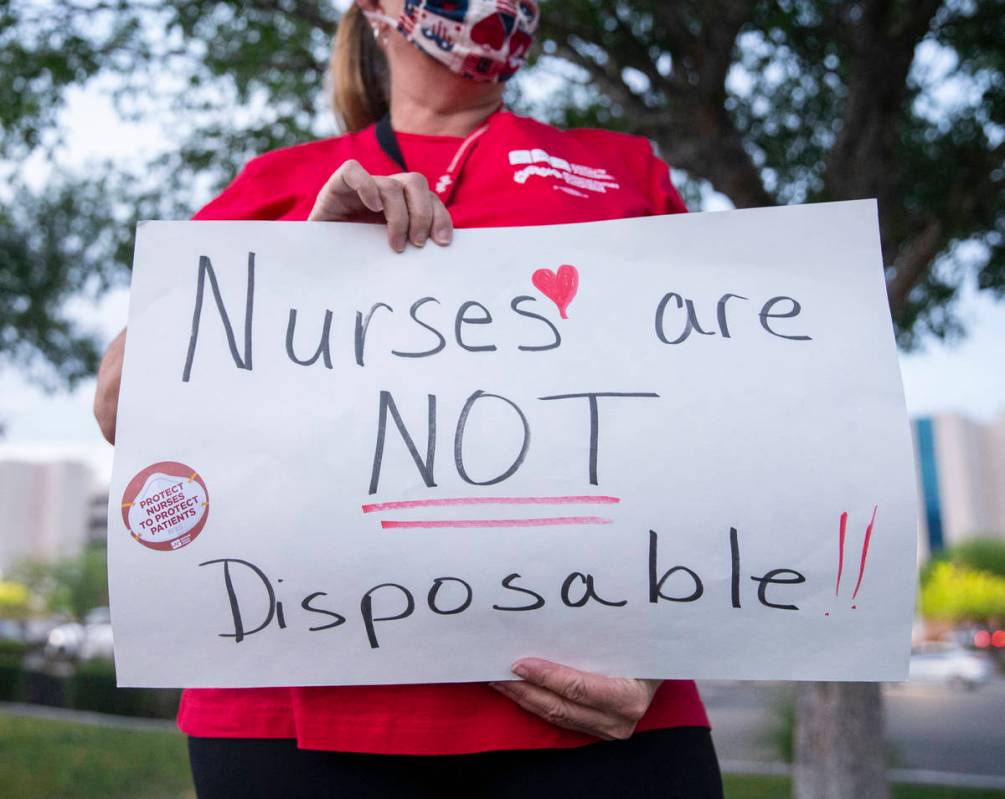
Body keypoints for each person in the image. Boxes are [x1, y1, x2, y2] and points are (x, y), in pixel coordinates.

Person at [93, 2, 723, 796]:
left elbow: (714, 418)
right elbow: (124, 407)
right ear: (377, 13)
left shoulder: (625, 169)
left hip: (605, 710)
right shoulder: (278, 181)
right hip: (284, 713)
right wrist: (298, 269)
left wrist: (663, 645)